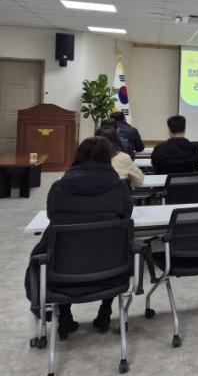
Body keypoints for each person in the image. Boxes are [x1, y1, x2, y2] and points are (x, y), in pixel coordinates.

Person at [25, 137, 133, 339]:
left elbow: (53, 218)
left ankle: (64, 317)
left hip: (63, 273)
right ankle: (105, 312)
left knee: (61, 248)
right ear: (108, 157)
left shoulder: (59, 187)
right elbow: (125, 217)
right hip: (111, 271)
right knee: (110, 246)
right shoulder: (120, 188)